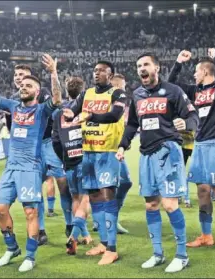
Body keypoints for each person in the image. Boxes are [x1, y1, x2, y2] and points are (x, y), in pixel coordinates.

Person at [117, 53, 199, 273]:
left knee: (170, 204)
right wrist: (122, 145)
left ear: (157, 68)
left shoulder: (173, 91)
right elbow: (132, 124)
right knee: (151, 204)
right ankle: (157, 253)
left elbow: (193, 116)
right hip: (146, 154)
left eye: (145, 65)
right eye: (138, 66)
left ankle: (181, 255)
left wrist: (186, 123)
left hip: (168, 152)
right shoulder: (137, 94)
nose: (141, 69)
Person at [0, 52, 62, 272]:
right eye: (22, 85)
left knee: (31, 212)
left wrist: (53, 73)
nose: (23, 87)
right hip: (11, 167)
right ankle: (12, 248)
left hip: (30, 167)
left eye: (28, 85)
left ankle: (30, 255)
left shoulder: (42, 110)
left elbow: (57, 99)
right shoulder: (13, 106)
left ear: (37, 91)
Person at [169, 49, 215, 247]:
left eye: (196, 71)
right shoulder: (195, 91)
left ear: (206, 72)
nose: (194, 74)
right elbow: (172, 84)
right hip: (199, 144)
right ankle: (206, 235)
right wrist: (178, 62)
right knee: (202, 190)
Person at [63, 61, 129, 265]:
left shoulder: (118, 94)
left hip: (107, 152)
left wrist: (90, 115)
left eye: (101, 71)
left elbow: (114, 115)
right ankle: (102, 242)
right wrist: (67, 114)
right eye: (94, 71)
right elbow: (71, 111)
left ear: (110, 75)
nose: (97, 73)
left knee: (107, 196)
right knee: (94, 199)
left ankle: (112, 248)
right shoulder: (85, 94)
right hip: (88, 153)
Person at [8, 64, 71, 244]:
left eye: (22, 75)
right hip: (30, 150)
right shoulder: (15, 100)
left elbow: (55, 110)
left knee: (63, 184)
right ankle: (41, 229)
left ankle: (69, 224)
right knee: (35, 189)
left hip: (48, 144)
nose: (18, 78)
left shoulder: (43, 93)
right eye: (16, 75)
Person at [52, 76, 93, 255]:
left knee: (76, 198)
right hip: (85, 158)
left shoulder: (58, 113)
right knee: (86, 199)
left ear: (67, 91)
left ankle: (83, 235)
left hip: (68, 160)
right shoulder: (87, 110)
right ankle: (74, 235)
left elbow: (55, 141)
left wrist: (64, 159)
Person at [111, 74, 133, 234]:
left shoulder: (120, 103)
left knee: (125, 182)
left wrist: (124, 143)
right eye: (122, 86)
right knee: (108, 187)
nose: (124, 90)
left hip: (116, 149)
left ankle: (109, 218)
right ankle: (108, 220)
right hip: (107, 149)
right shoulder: (107, 100)